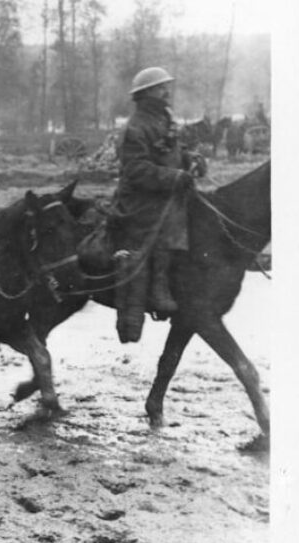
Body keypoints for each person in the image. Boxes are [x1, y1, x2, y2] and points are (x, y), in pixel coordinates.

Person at [111, 66, 204, 339]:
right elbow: (136, 170)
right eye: (161, 87)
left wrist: (190, 159)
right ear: (147, 93)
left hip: (166, 192)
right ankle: (159, 288)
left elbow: (173, 151)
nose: (167, 91)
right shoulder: (136, 127)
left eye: (166, 86)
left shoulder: (164, 119)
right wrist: (174, 177)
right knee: (168, 222)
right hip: (140, 199)